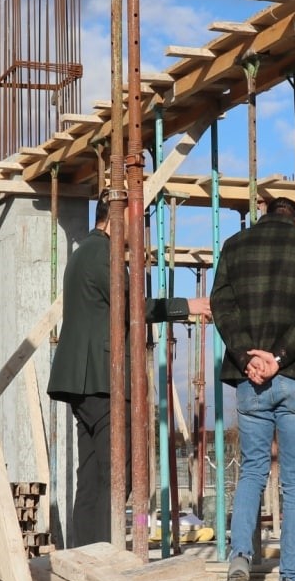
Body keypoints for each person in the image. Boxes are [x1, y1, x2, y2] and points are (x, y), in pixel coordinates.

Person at [46, 202, 208, 548]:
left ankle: (86, 551)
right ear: (118, 220)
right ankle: (104, 551)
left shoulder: (84, 252)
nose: (140, 232)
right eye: (138, 222)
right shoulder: (101, 254)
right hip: (103, 378)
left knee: (91, 473)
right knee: (118, 470)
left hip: (86, 380)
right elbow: (134, 306)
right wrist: (186, 306)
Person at [209, 194, 295, 581]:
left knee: (251, 474)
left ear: (264, 214)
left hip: (249, 376)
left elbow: (222, 305)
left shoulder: (235, 246)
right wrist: (279, 357)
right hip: (293, 377)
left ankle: (238, 564)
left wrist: (247, 355)